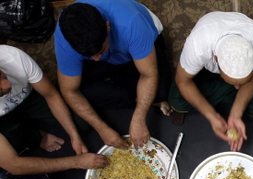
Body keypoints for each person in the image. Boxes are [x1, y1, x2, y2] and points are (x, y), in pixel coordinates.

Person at [55, 0, 172, 149]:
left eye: (99, 52)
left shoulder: (131, 24)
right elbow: (69, 90)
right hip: (106, 48)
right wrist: (101, 129)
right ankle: (130, 91)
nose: (97, 59)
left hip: (139, 40)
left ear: (107, 27)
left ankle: (130, 90)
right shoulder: (66, 39)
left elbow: (148, 75)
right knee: (65, 88)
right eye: (91, 56)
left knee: (161, 91)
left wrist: (139, 117)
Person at [169, 12, 253, 152]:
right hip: (206, 70)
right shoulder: (198, 44)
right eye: (233, 82)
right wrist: (211, 115)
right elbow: (182, 81)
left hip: (228, 81)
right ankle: (221, 98)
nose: (237, 88)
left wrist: (236, 112)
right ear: (216, 59)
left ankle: (216, 98)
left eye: (241, 82)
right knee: (176, 101)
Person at [0, 45, 107, 175]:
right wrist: (76, 162)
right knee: (14, 137)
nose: (8, 85)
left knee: (81, 123)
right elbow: (14, 165)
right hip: (3, 119)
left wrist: (74, 136)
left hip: (27, 98)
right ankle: (37, 136)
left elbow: (51, 95)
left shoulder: (12, 57)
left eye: (2, 76)